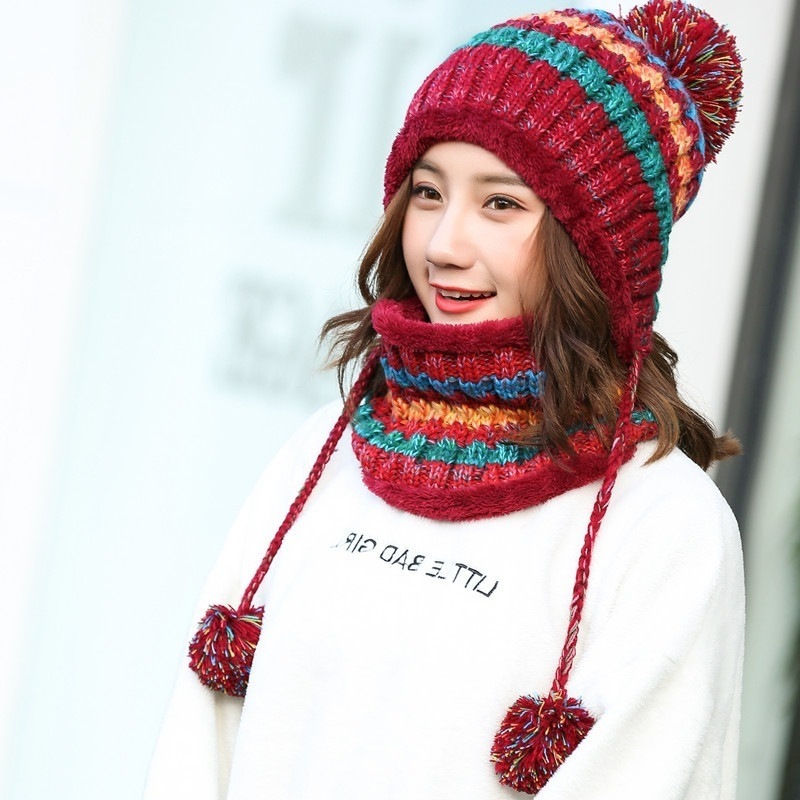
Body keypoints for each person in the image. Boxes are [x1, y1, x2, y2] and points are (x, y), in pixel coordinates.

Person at [145, 1, 745, 797]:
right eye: (427, 192)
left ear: (598, 247)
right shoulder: (327, 452)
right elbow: (197, 751)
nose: (442, 244)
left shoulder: (663, 524)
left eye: (501, 203)